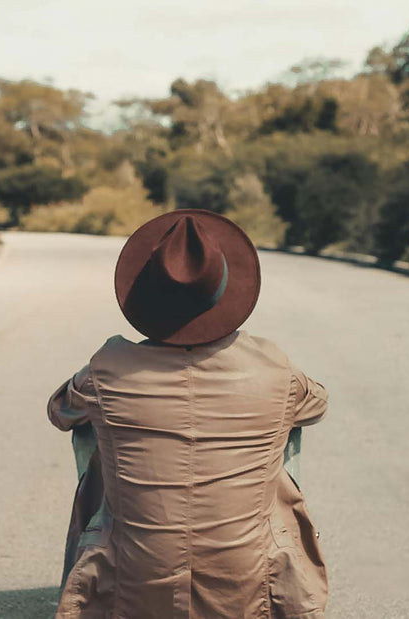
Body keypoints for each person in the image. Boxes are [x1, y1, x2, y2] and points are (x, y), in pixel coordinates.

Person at [47, 209, 328, 618]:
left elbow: (59, 412)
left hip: (133, 585)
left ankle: (102, 549)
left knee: (90, 427)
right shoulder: (273, 368)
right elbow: (318, 404)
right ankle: (277, 559)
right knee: (287, 427)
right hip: (247, 587)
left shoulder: (107, 368)